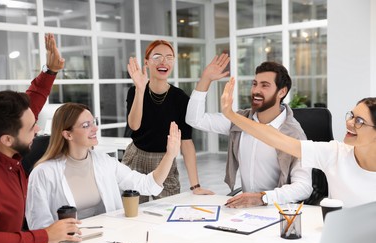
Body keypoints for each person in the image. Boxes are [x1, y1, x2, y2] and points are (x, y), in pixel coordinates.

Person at [0, 34, 79, 243]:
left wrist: (50, 71)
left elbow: (30, 106)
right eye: (31, 128)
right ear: (7, 139)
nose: (37, 131)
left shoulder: (1, 135)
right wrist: (46, 235)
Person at [221, 77, 376, 208]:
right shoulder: (334, 153)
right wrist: (230, 114)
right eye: (351, 116)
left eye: (359, 121)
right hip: (341, 235)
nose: (349, 123)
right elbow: (275, 138)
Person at [25, 103, 181, 230]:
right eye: (86, 125)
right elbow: (38, 226)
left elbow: (147, 185)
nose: (95, 129)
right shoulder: (43, 173)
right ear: (68, 134)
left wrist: (170, 155)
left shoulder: (105, 162)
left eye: (94, 122)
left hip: (108, 239)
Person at [186, 59, 312, 207]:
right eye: (254, 84)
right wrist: (205, 80)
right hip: (245, 209)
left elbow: (304, 187)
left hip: (276, 209)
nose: (256, 90)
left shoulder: (294, 134)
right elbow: (194, 120)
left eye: (264, 85)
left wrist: (262, 198)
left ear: (282, 92)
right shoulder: (240, 121)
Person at [122, 39, 214, 203]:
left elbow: (186, 142)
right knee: (132, 212)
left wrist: (195, 186)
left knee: (168, 210)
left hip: (164, 160)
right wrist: (140, 89)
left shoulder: (180, 98)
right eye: (157, 56)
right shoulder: (135, 91)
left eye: (169, 57)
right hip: (136, 156)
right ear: (147, 62)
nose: (163, 61)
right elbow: (134, 125)